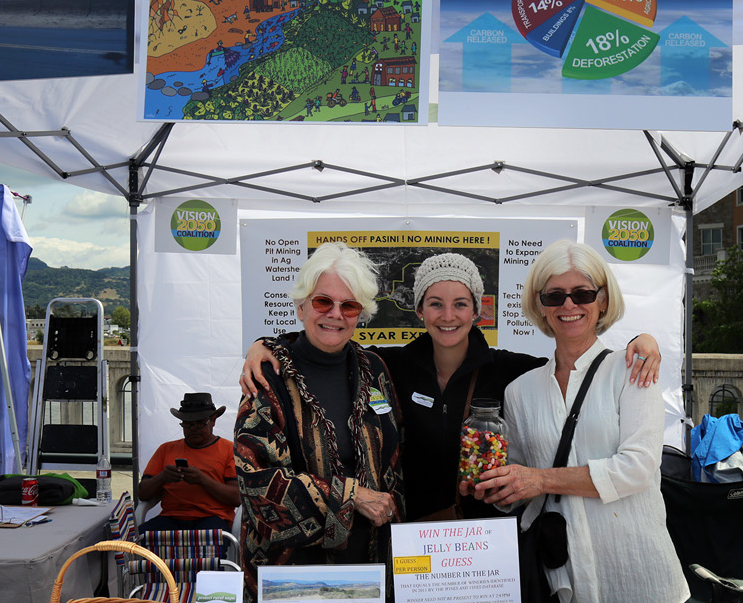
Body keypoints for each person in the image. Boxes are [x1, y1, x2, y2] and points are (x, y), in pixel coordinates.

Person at [240, 252, 662, 521]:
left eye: (461, 303)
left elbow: (574, 358)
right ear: (420, 309)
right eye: (436, 303)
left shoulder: (509, 370)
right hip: (410, 538)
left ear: (477, 310)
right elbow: (330, 342)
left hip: (485, 539)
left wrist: (638, 343)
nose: (448, 315)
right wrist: (266, 346)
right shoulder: (390, 366)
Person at [473, 239, 691, 603]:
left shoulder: (633, 372)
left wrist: (539, 478)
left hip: (642, 584)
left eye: (582, 293)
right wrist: (499, 488)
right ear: (540, 305)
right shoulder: (520, 391)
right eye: (555, 295)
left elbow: (638, 470)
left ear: (603, 300)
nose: (569, 305)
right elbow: (524, 490)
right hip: (560, 587)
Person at [235, 242, 403, 583]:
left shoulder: (374, 369)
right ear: (301, 307)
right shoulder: (268, 375)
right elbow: (255, 484)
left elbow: (395, 463)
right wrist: (350, 496)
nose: (335, 314)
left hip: (371, 570)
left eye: (350, 305)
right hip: (292, 577)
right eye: (323, 301)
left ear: (362, 313)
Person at [137, 392, 238, 532]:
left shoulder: (229, 450)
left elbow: (237, 498)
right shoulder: (166, 449)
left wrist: (202, 480)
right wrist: (163, 477)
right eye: (188, 425)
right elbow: (142, 493)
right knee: (138, 540)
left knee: (209, 538)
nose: (193, 429)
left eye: (200, 424)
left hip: (213, 518)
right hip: (171, 518)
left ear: (213, 420)